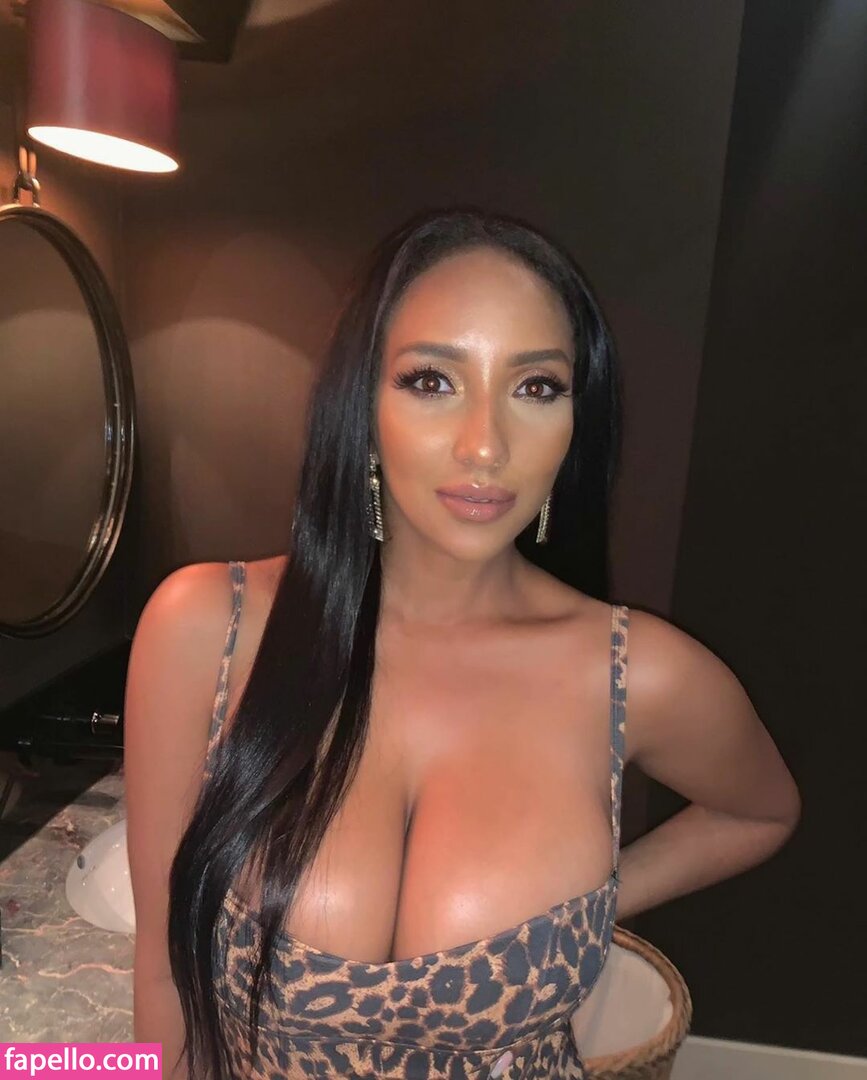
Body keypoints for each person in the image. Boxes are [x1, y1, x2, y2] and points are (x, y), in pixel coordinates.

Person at [124, 207, 801, 1080]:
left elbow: (760, 811)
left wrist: (596, 903)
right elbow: (161, 974)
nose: (485, 445)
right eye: (431, 381)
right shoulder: (205, 628)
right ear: (362, 405)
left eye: (536, 387)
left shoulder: (636, 674)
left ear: (576, 421)